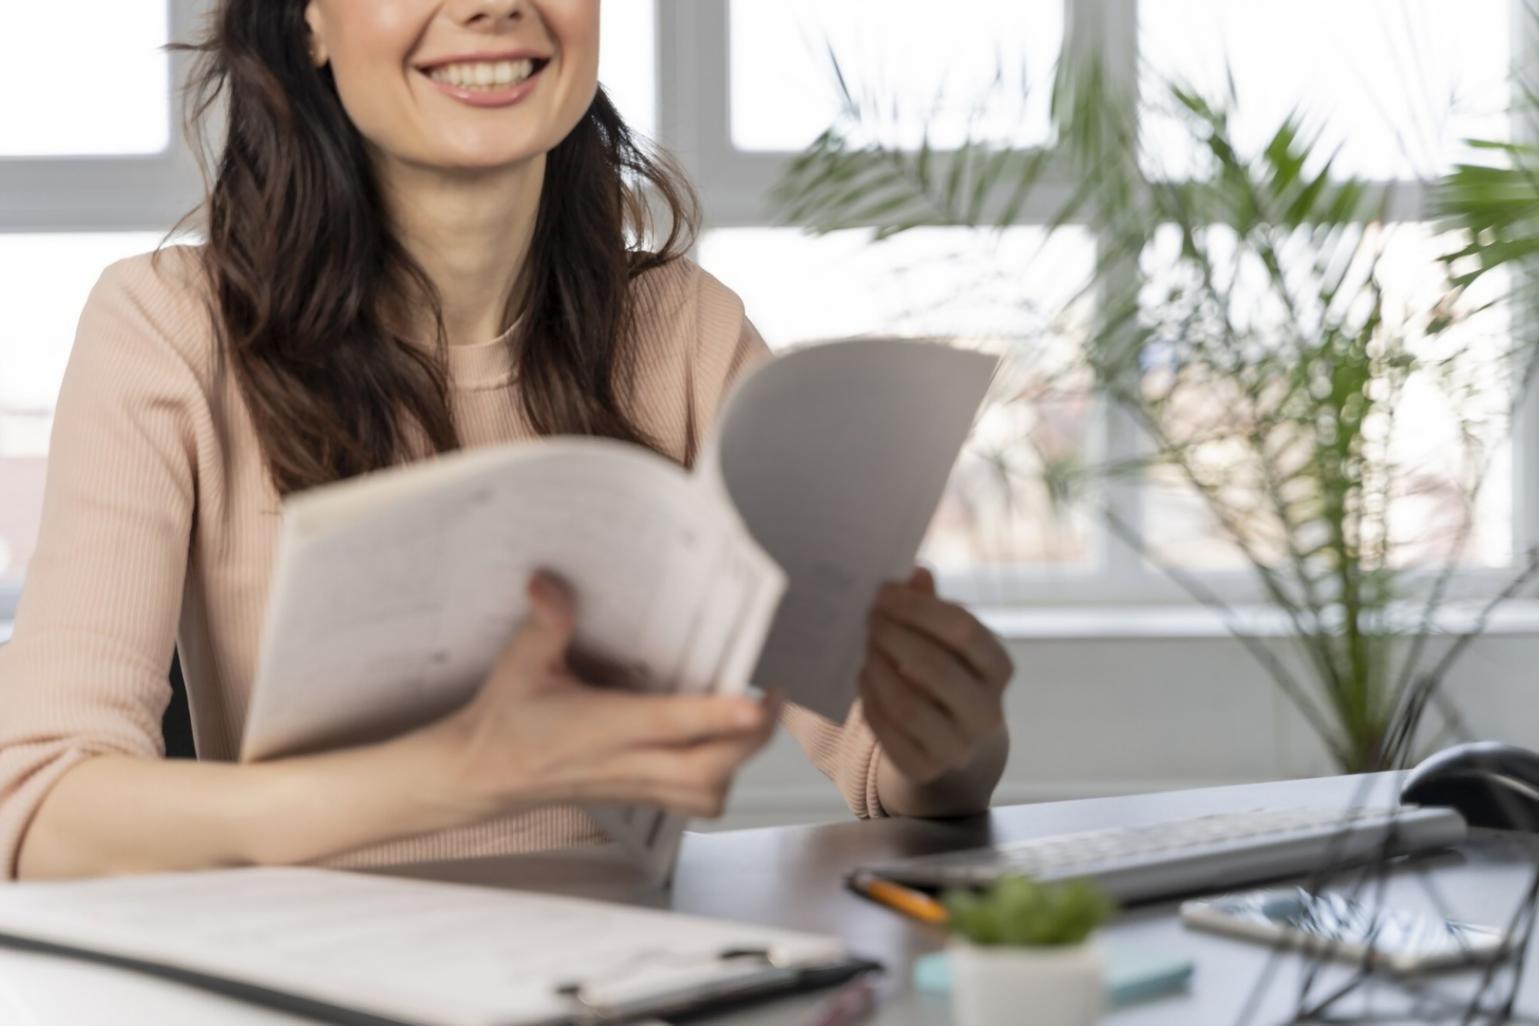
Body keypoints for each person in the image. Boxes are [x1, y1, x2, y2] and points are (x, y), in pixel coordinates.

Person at [0, 0, 1012, 881]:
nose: (493, 5)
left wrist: (949, 739)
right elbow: (37, 810)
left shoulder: (686, 332)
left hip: (625, 985)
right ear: (309, 15)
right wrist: (458, 774)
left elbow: (894, 766)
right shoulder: (168, 328)